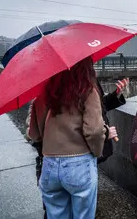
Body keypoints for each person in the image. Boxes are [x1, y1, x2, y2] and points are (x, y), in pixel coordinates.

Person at [27, 57, 119, 219]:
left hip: (49, 164)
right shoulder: (87, 91)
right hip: (79, 164)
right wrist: (97, 152)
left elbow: (34, 134)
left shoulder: (43, 94)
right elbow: (95, 131)